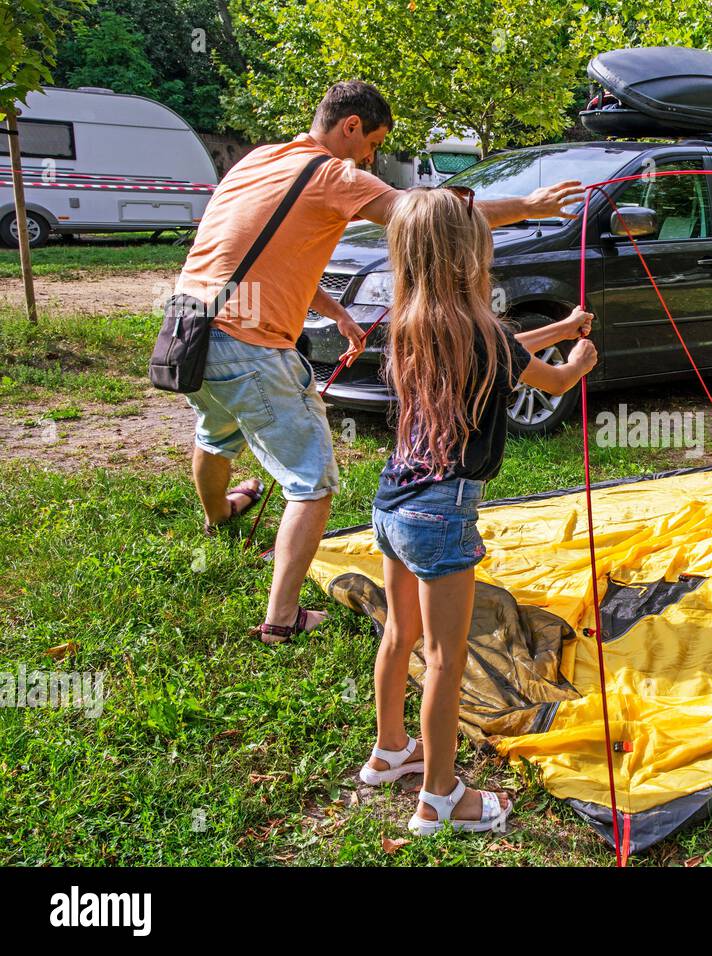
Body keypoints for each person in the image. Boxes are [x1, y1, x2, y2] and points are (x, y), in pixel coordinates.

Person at [173, 80, 584, 644]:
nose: (370, 158)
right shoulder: (332, 174)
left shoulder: (260, 161)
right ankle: (281, 619)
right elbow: (430, 219)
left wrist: (336, 311)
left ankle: (218, 515)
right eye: (372, 144)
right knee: (311, 484)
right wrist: (528, 206)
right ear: (350, 127)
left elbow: (257, 255)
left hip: (187, 334)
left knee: (215, 430)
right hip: (250, 345)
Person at [357, 188, 597, 833]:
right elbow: (550, 379)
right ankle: (441, 799)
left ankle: (389, 753)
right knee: (445, 659)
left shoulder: (410, 322)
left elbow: (509, 346)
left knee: (399, 635)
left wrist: (559, 329)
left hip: (392, 506)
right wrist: (577, 358)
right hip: (442, 516)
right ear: (470, 254)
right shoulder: (483, 333)